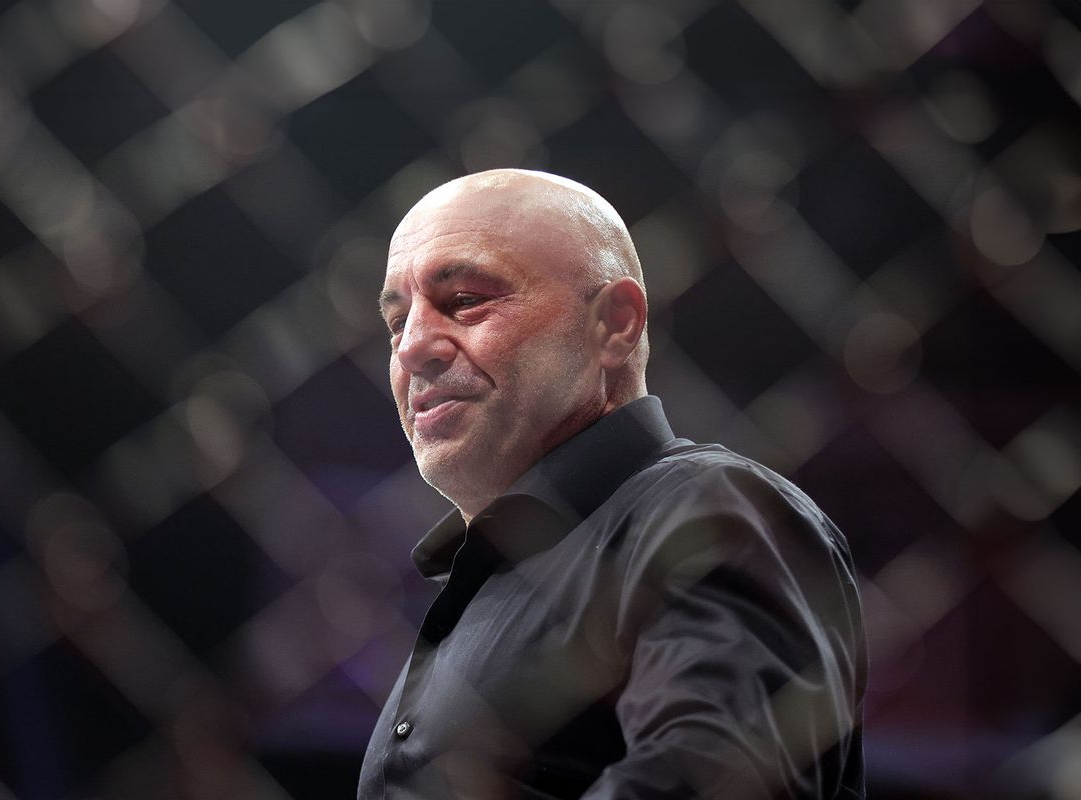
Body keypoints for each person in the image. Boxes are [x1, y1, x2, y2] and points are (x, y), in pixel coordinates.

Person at [360, 169, 866, 799]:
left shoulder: (704, 508)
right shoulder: (487, 580)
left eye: (464, 300)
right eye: (396, 322)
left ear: (615, 324)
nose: (412, 349)